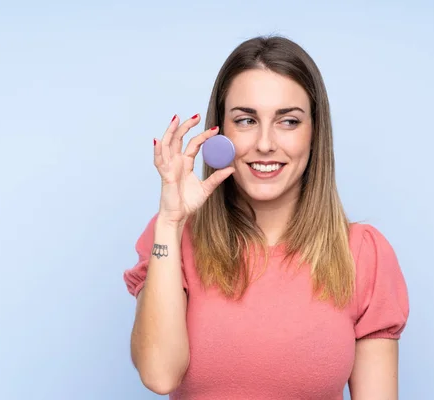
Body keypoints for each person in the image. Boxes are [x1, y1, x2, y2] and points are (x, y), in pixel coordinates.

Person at [123, 35, 410, 400]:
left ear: (314, 133)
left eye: (288, 121)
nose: (264, 143)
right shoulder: (173, 237)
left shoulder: (363, 253)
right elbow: (160, 375)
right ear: (219, 132)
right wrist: (169, 222)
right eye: (245, 120)